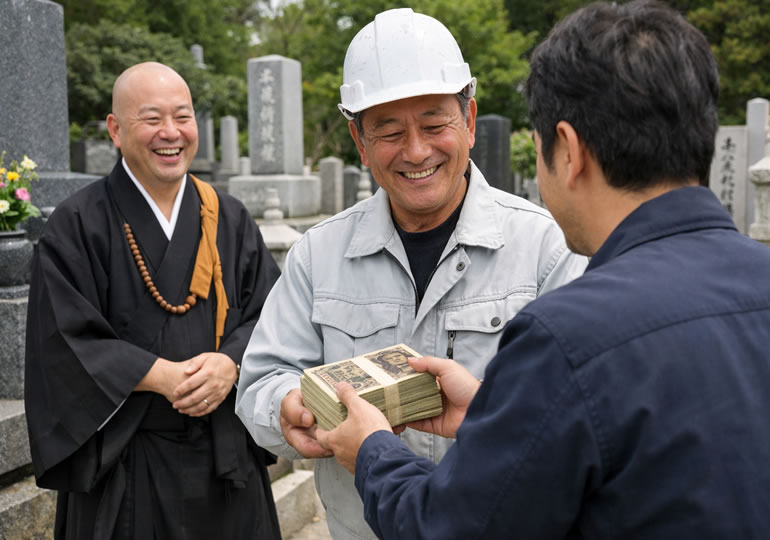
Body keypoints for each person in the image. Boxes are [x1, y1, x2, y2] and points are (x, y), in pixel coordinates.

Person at [314, 1, 770, 538]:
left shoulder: (568, 336)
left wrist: (372, 451)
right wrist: (495, 412)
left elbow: (451, 528)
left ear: (569, 151)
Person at [235, 8, 587, 539]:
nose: (417, 151)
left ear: (469, 121)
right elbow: (262, 378)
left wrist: (488, 411)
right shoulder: (318, 254)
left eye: (434, 124)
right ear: (360, 142)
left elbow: (583, 416)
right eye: (390, 131)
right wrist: (289, 409)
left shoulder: (547, 248)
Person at [25, 62, 282, 539]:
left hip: (225, 460)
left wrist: (231, 363)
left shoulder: (228, 216)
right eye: (152, 118)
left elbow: (272, 313)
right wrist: (156, 375)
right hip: (126, 464)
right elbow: (62, 339)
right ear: (116, 130)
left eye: (182, 117)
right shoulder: (76, 223)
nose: (171, 133)